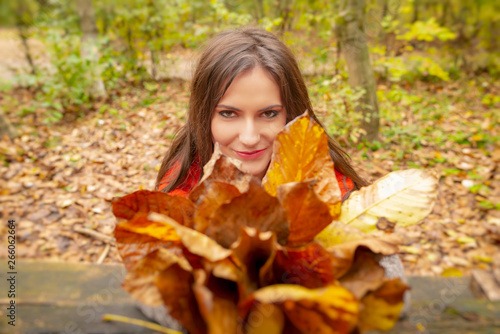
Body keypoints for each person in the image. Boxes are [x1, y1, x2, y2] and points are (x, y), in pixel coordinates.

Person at [140, 27, 408, 329]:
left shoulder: (321, 181)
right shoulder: (184, 182)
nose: (250, 137)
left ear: (290, 114)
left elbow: (389, 282)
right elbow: (154, 282)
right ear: (205, 115)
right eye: (229, 114)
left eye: (268, 114)